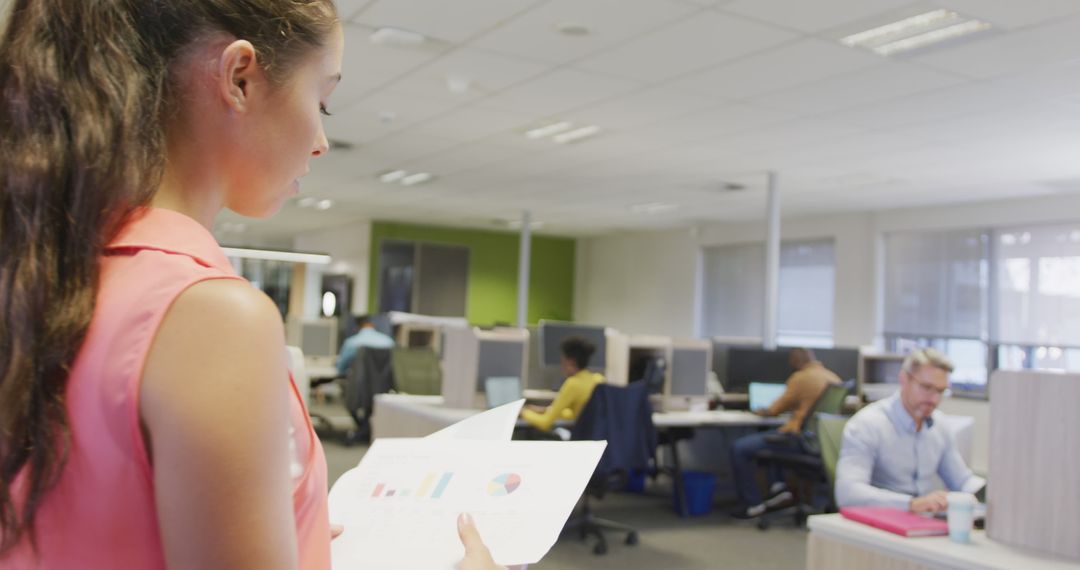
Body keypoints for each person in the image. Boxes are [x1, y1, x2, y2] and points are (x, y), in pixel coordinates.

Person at [0, 1, 501, 568]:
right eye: (323, 102)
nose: (320, 141)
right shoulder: (210, 316)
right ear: (239, 78)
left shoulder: (47, 275)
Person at [835, 348, 985, 513]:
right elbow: (847, 493)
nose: (934, 399)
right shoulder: (867, 424)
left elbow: (962, 480)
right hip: (883, 520)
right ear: (904, 379)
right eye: (926, 387)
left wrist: (992, 495)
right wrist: (910, 504)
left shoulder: (940, 425)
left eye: (940, 391)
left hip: (923, 520)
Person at [730, 348, 842, 518]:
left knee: (740, 448)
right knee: (773, 436)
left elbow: (774, 410)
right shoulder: (834, 378)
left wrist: (759, 411)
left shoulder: (800, 378)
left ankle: (753, 504)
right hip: (821, 443)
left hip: (800, 441)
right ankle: (779, 489)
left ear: (796, 361)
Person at [521, 336, 605, 432]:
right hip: (601, 438)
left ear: (570, 361)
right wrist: (546, 410)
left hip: (583, 438)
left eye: (563, 360)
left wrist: (523, 412)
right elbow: (579, 414)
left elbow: (545, 423)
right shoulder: (599, 379)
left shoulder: (573, 384)